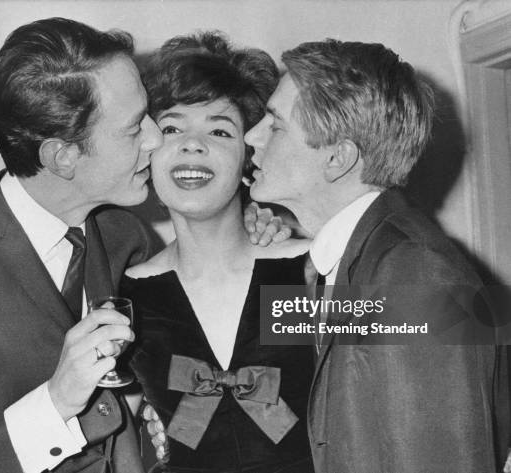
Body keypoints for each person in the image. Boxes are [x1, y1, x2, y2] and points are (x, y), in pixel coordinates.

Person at [0, 18, 163, 473]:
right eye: (135, 127)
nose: (157, 138)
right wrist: (54, 403)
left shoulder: (128, 237)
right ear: (63, 157)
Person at [244, 39, 510, 473]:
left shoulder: (415, 274)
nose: (251, 135)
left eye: (273, 126)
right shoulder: (354, 258)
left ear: (338, 158)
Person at [121, 32, 315, 473]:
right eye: (171, 127)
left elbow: (472, 322)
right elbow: (111, 439)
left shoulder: (310, 268)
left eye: (219, 129)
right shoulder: (130, 293)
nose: (192, 143)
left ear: (249, 156)